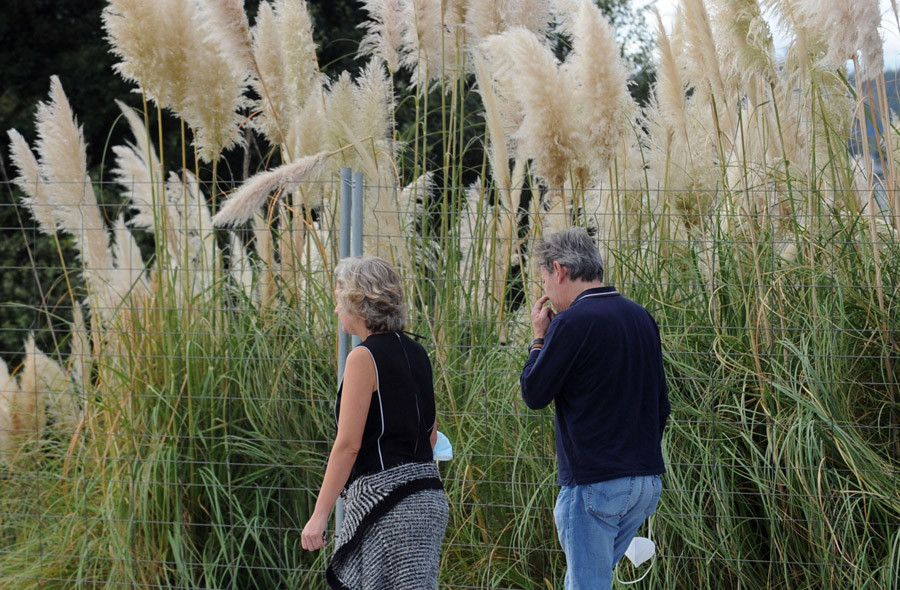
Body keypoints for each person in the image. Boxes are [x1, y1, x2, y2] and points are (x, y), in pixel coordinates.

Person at [519, 227, 670, 590]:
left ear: (558, 270)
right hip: (645, 483)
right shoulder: (640, 316)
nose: (545, 293)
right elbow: (662, 404)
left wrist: (539, 338)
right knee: (588, 580)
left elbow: (535, 393)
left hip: (594, 483)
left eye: (543, 280)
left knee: (586, 584)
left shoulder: (572, 322)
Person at [301, 255, 448, 589]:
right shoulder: (417, 352)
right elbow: (431, 434)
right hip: (428, 500)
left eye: (340, 300)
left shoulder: (363, 358)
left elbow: (348, 446)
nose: (337, 309)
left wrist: (320, 515)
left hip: (387, 506)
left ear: (359, 303)